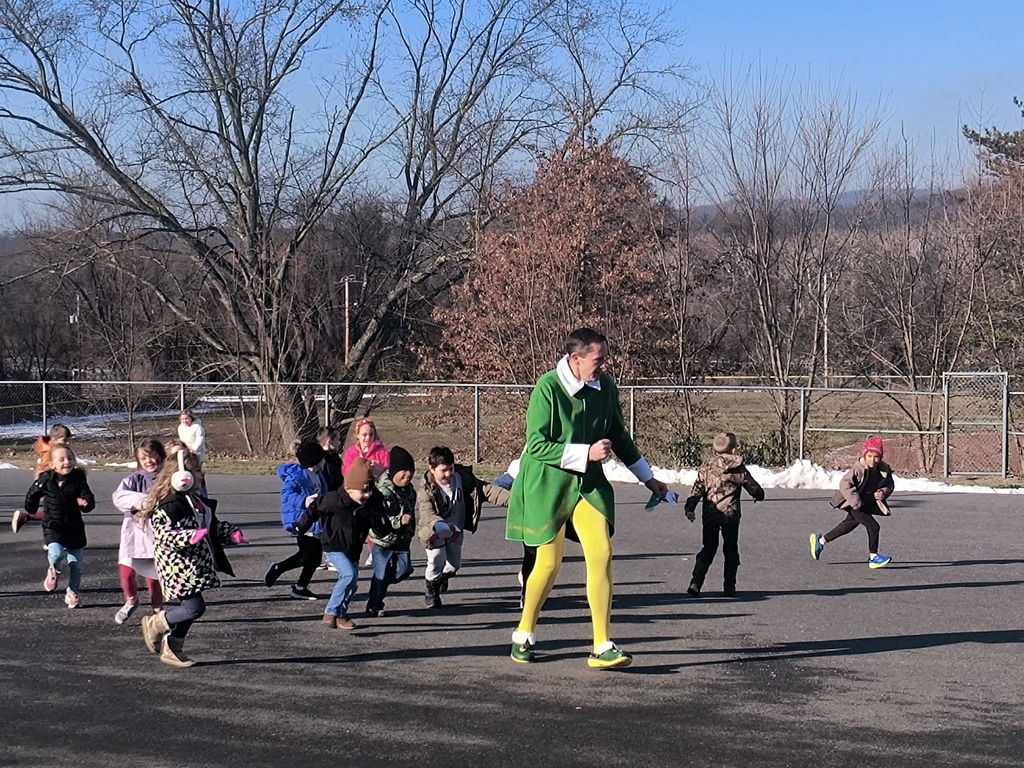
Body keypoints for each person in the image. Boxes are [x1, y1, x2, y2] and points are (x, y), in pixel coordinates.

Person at [506, 328, 669, 669]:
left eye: (604, 359)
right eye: (598, 359)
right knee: (548, 565)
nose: (603, 365)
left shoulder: (606, 387)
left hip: (588, 487)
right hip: (546, 486)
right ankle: (524, 633)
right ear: (575, 358)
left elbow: (619, 436)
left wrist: (649, 479)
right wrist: (586, 452)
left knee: (602, 552)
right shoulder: (548, 388)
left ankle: (602, 644)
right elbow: (536, 446)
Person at [139, 448, 247, 667]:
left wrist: (231, 533)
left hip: (194, 566)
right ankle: (156, 623)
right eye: (196, 471)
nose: (201, 475)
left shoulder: (195, 501)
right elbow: (163, 535)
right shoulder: (170, 506)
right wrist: (189, 537)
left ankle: (173, 649)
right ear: (182, 476)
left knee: (191, 610)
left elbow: (211, 526)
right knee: (194, 608)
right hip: (178, 567)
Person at [417, 446, 509, 609]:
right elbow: (426, 513)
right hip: (434, 532)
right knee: (436, 560)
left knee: (453, 565)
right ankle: (431, 591)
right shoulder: (426, 489)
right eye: (443, 470)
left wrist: (514, 501)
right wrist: (439, 525)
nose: (448, 474)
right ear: (431, 469)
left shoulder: (462, 478)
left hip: (455, 531)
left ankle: (441, 578)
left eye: (450, 469)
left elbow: (487, 490)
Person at [293, 458, 375, 630]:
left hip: (353, 548)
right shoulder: (333, 500)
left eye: (369, 490)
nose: (367, 495)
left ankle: (341, 615)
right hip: (333, 545)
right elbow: (314, 508)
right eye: (363, 491)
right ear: (349, 488)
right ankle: (330, 611)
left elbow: (377, 521)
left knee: (352, 583)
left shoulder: (367, 505)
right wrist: (301, 526)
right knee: (349, 575)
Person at [682, 432, 764, 597]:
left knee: (709, 548)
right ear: (734, 450)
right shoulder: (739, 469)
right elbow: (752, 486)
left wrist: (690, 507)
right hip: (730, 515)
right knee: (731, 549)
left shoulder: (707, 467)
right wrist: (758, 494)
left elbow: (698, 488)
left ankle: (696, 583)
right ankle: (729, 585)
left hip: (710, 514)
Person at [18, 444, 96, 608]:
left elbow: (89, 499)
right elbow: (31, 497)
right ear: (52, 464)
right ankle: (53, 570)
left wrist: (85, 503)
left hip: (74, 528)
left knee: (76, 565)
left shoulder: (78, 479)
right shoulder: (46, 479)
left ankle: (72, 592)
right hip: (53, 526)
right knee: (56, 553)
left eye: (70, 458)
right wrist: (32, 502)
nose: (67, 462)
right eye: (61, 459)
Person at [810, 434, 894, 569]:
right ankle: (874, 557)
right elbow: (844, 484)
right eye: (870, 456)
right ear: (864, 455)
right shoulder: (858, 469)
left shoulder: (883, 470)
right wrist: (856, 503)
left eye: (876, 456)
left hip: (866, 504)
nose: (873, 460)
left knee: (847, 526)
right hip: (855, 503)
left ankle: (820, 541)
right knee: (873, 526)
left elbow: (889, 485)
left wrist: (883, 492)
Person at [110, 438, 167, 624]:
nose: (149, 461)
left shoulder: (166, 479)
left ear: (160, 456)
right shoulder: (132, 480)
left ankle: (158, 607)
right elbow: (120, 498)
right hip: (134, 535)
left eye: (152, 456)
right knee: (126, 573)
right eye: (144, 458)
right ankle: (131, 600)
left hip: (155, 535)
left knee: (153, 576)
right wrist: (146, 501)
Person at [264, 439, 329, 599]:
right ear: (314, 461)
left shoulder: (318, 475)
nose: (324, 462)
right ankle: (279, 569)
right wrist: (304, 501)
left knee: (313, 558)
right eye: (322, 459)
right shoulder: (297, 476)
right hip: (302, 522)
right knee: (307, 556)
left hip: (315, 523)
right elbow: (287, 496)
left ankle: (300, 587)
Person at [365, 446, 417, 617]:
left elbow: (412, 513)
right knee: (380, 575)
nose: (407, 475)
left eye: (411, 472)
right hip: (383, 540)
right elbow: (382, 517)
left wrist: (410, 529)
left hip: (402, 540)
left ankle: (387, 579)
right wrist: (399, 521)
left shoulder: (411, 492)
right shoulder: (383, 491)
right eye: (403, 471)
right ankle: (373, 605)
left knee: (404, 570)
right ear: (393, 470)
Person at [10, 424, 72, 533]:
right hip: (49, 482)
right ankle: (52, 538)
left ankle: (26, 518)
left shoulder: (52, 448)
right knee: (57, 508)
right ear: (54, 439)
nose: (67, 443)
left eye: (68, 440)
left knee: (56, 508)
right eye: (64, 440)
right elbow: (47, 467)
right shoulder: (52, 451)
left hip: (49, 481)